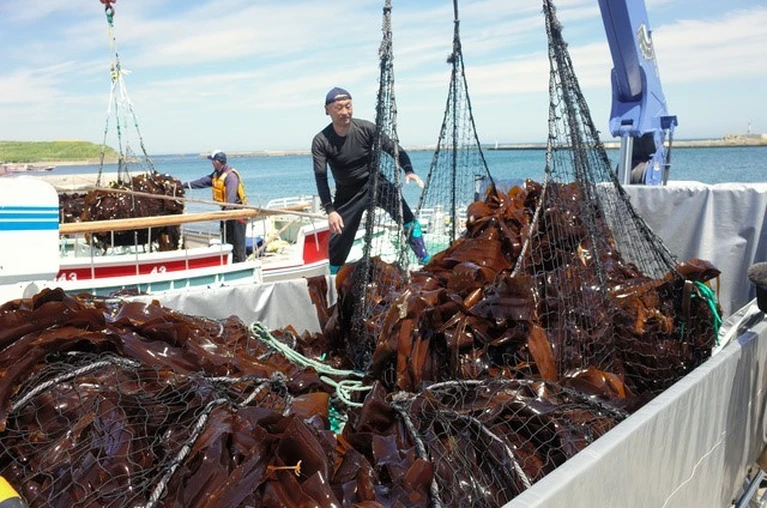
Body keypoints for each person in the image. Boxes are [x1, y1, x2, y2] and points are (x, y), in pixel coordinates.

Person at [311, 87, 430, 275]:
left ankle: (425, 259)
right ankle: (334, 277)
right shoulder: (321, 141)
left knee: (406, 216)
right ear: (327, 110)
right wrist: (330, 210)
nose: (345, 112)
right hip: (348, 193)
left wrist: (408, 170)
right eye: (339, 108)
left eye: (348, 106)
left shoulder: (366, 128)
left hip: (376, 184)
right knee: (339, 236)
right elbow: (320, 176)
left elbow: (394, 149)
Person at [183, 150, 248, 263]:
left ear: (217, 161)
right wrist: (185, 185)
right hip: (226, 214)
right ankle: (230, 263)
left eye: (212, 160)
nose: (212, 163)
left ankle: (240, 263)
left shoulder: (231, 177)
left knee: (238, 245)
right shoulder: (216, 175)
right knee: (227, 242)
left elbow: (231, 200)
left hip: (237, 214)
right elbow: (202, 182)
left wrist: (226, 214)